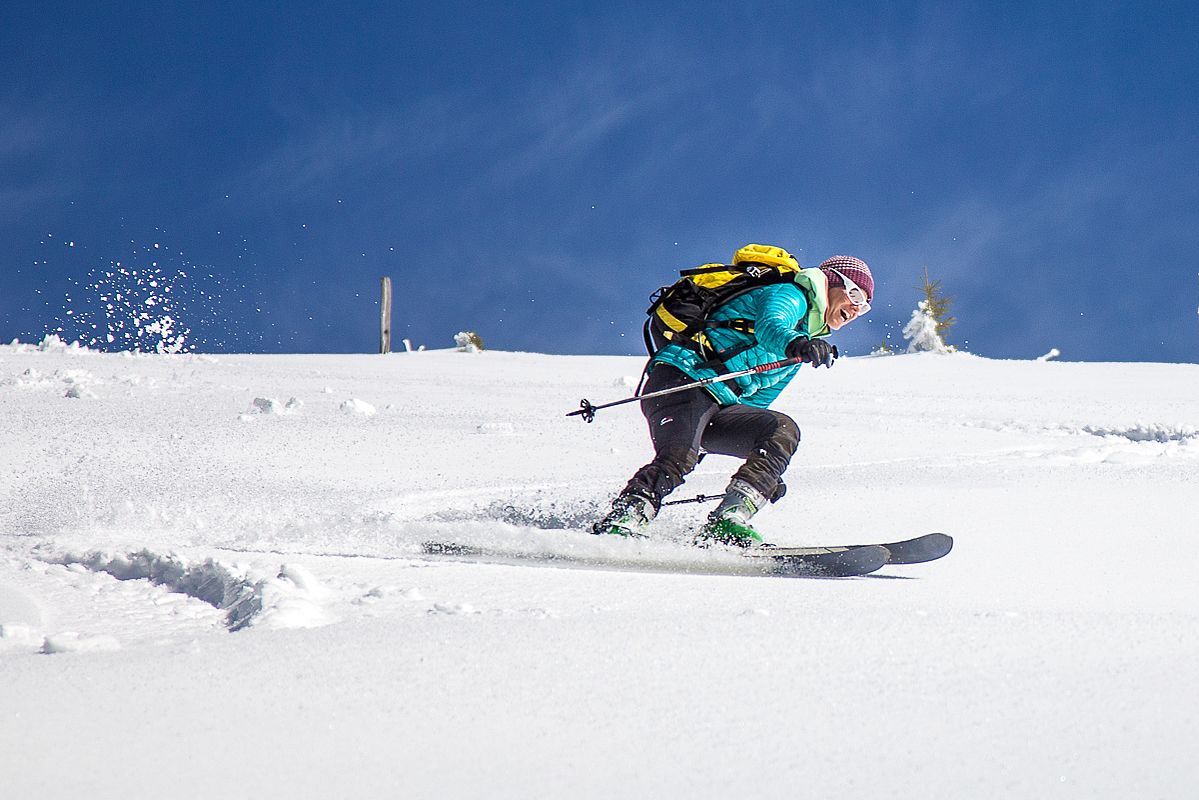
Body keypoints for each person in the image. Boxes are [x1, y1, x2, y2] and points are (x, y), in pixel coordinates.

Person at [592, 251, 875, 547]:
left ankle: (727, 522)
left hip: (719, 403)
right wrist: (797, 344)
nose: (856, 308)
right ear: (829, 283)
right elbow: (770, 327)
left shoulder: (801, 342)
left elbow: (757, 404)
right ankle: (624, 518)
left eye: (864, 305)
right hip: (685, 378)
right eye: (854, 294)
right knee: (679, 456)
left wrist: (764, 474)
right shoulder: (791, 294)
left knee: (780, 430)